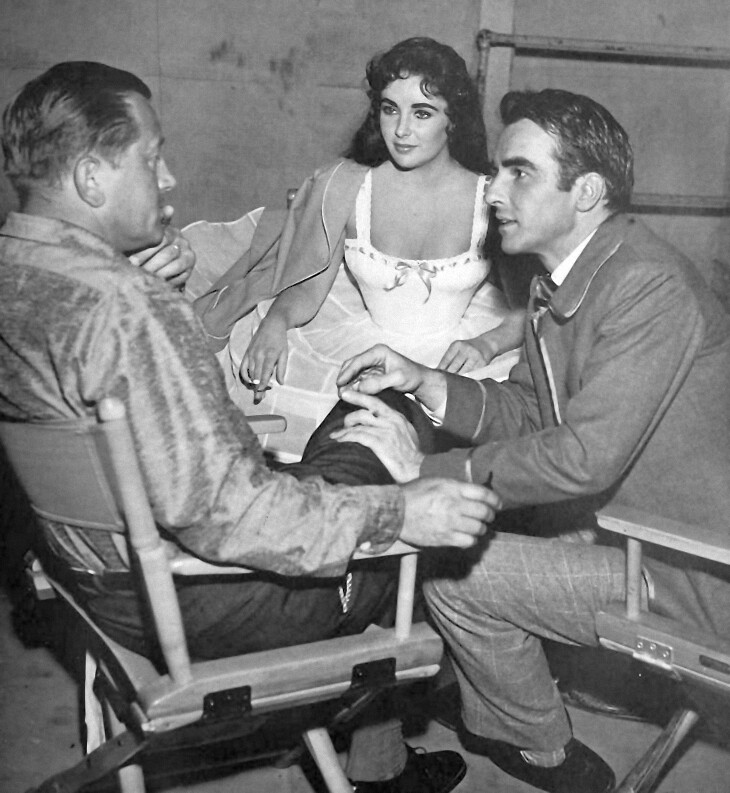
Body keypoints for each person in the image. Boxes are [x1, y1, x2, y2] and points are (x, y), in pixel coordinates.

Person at [0, 61, 503, 793]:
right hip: (206, 594)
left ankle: (381, 759)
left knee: (360, 417)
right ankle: (391, 756)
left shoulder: (19, 270)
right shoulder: (128, 307)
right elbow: (228, 517)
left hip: (91, 573)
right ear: (89, 178)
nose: (168, 178)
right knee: (393, 426)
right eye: (152, 157)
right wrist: (402, 510)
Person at [329, 88, 730, 793]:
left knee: (454, 575)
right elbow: (529, 410)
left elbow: (582, 458)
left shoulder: (647, 285)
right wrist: (426, 381)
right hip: (627, 527)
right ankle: (485, 704)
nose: (494, 191)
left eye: (520, 173)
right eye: (498, 171)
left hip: (689, 568)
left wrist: (426, 469)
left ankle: (541, 748)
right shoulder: (571, 279)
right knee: (444, 536)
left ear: (588, 192)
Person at [193, 37, 524, 460]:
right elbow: (308, 286)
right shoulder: (347, 186)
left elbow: (533, 305)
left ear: (453, 120)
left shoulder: (493, 196)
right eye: (390, 109)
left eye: (422, 113)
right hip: (355, 346)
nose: (401, 130)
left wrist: (487, 345)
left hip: (454, 358)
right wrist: (276, 321)